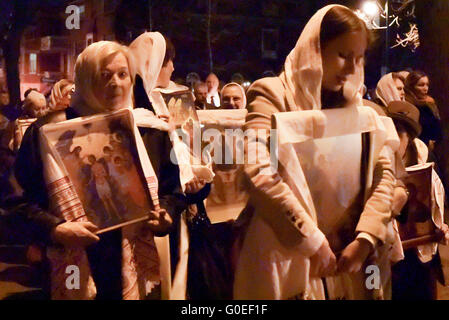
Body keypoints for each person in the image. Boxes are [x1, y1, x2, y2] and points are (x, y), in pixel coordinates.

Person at [233, 4, 397, 300]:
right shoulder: (272, 95)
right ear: (315, 50)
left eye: (358, 58)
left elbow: (384, 177)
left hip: (351, 255)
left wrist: (366, 238)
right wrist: (311, 240)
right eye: (343, 55)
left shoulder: (361, 110)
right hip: (287, 252)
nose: (351, 69)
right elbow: (257, 169)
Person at [14, 41, 187, 300]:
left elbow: (174, 189)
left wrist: (166, 214)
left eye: (122, 74)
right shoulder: (48, 132)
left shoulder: (149, 130)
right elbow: (16, 199)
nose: (115, 83)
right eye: (104, 75)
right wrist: (54, 229)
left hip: (137, 266)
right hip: (79, 262)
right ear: (84, 78)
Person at [385, 100, 449, 300]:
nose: (392, 138)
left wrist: (441, 225)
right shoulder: (374, 160)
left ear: (410, 136)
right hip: (383, 258)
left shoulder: (424, 157)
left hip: (420, 252)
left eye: (399, 131)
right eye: (390, 129)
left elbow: (435, 200)